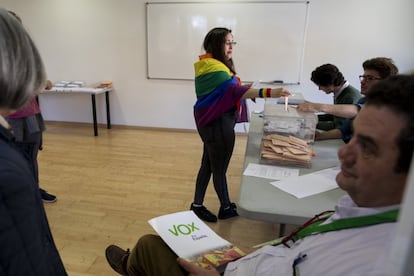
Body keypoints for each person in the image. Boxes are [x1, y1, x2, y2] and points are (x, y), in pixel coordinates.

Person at [104, 74, 414, 275]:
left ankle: (135, 266)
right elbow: (299, 252)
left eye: (369, 147)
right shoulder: (361, 210)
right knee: (163, 242)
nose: (346, 152)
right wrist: (255, 254)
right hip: (252, 263)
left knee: (148, 245)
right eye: (355, 136)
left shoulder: (381, 261)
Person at [190, 27, 290, 222]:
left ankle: (197, 205)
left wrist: (242, 89)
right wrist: (270, 92)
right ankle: (225, 207)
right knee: (218, 169)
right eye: (227, 42)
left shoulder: (209, 65)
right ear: (216, 44)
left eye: (232, 42)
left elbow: (229, 91)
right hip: (219, 126)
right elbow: (234, 92)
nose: (231, 47)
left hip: (212, 124)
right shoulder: (216, 69)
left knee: (208, 166)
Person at [0, 8, 66, 275]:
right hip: (18, 122)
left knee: (29, 159)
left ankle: (35, 189)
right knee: (23, 162)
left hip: (30, 117)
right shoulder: (7, 172)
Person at [6, 10, 57, 203]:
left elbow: (35, 79)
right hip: (15, 118)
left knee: (31, 155)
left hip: (31, 114)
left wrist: (41, 81)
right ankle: (24, 193)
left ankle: (32, 189)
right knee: (19, 157)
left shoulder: (21, 52)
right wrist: (38, 83)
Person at [297, 57, 398, 142]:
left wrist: (318, 107)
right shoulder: (363, 101)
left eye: (370, 78)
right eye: (363, 77)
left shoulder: (390, 106)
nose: (362, 82)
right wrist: (320, 136)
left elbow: (358, 111)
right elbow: (345, 129)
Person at [308, 63, 361, 131]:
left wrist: (310, 123)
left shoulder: (350, 97)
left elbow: (339, 126)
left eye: (320, 86)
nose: (319, 89)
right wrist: (312, 118)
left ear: (330, 84)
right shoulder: (339, 92)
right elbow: (334, 115)